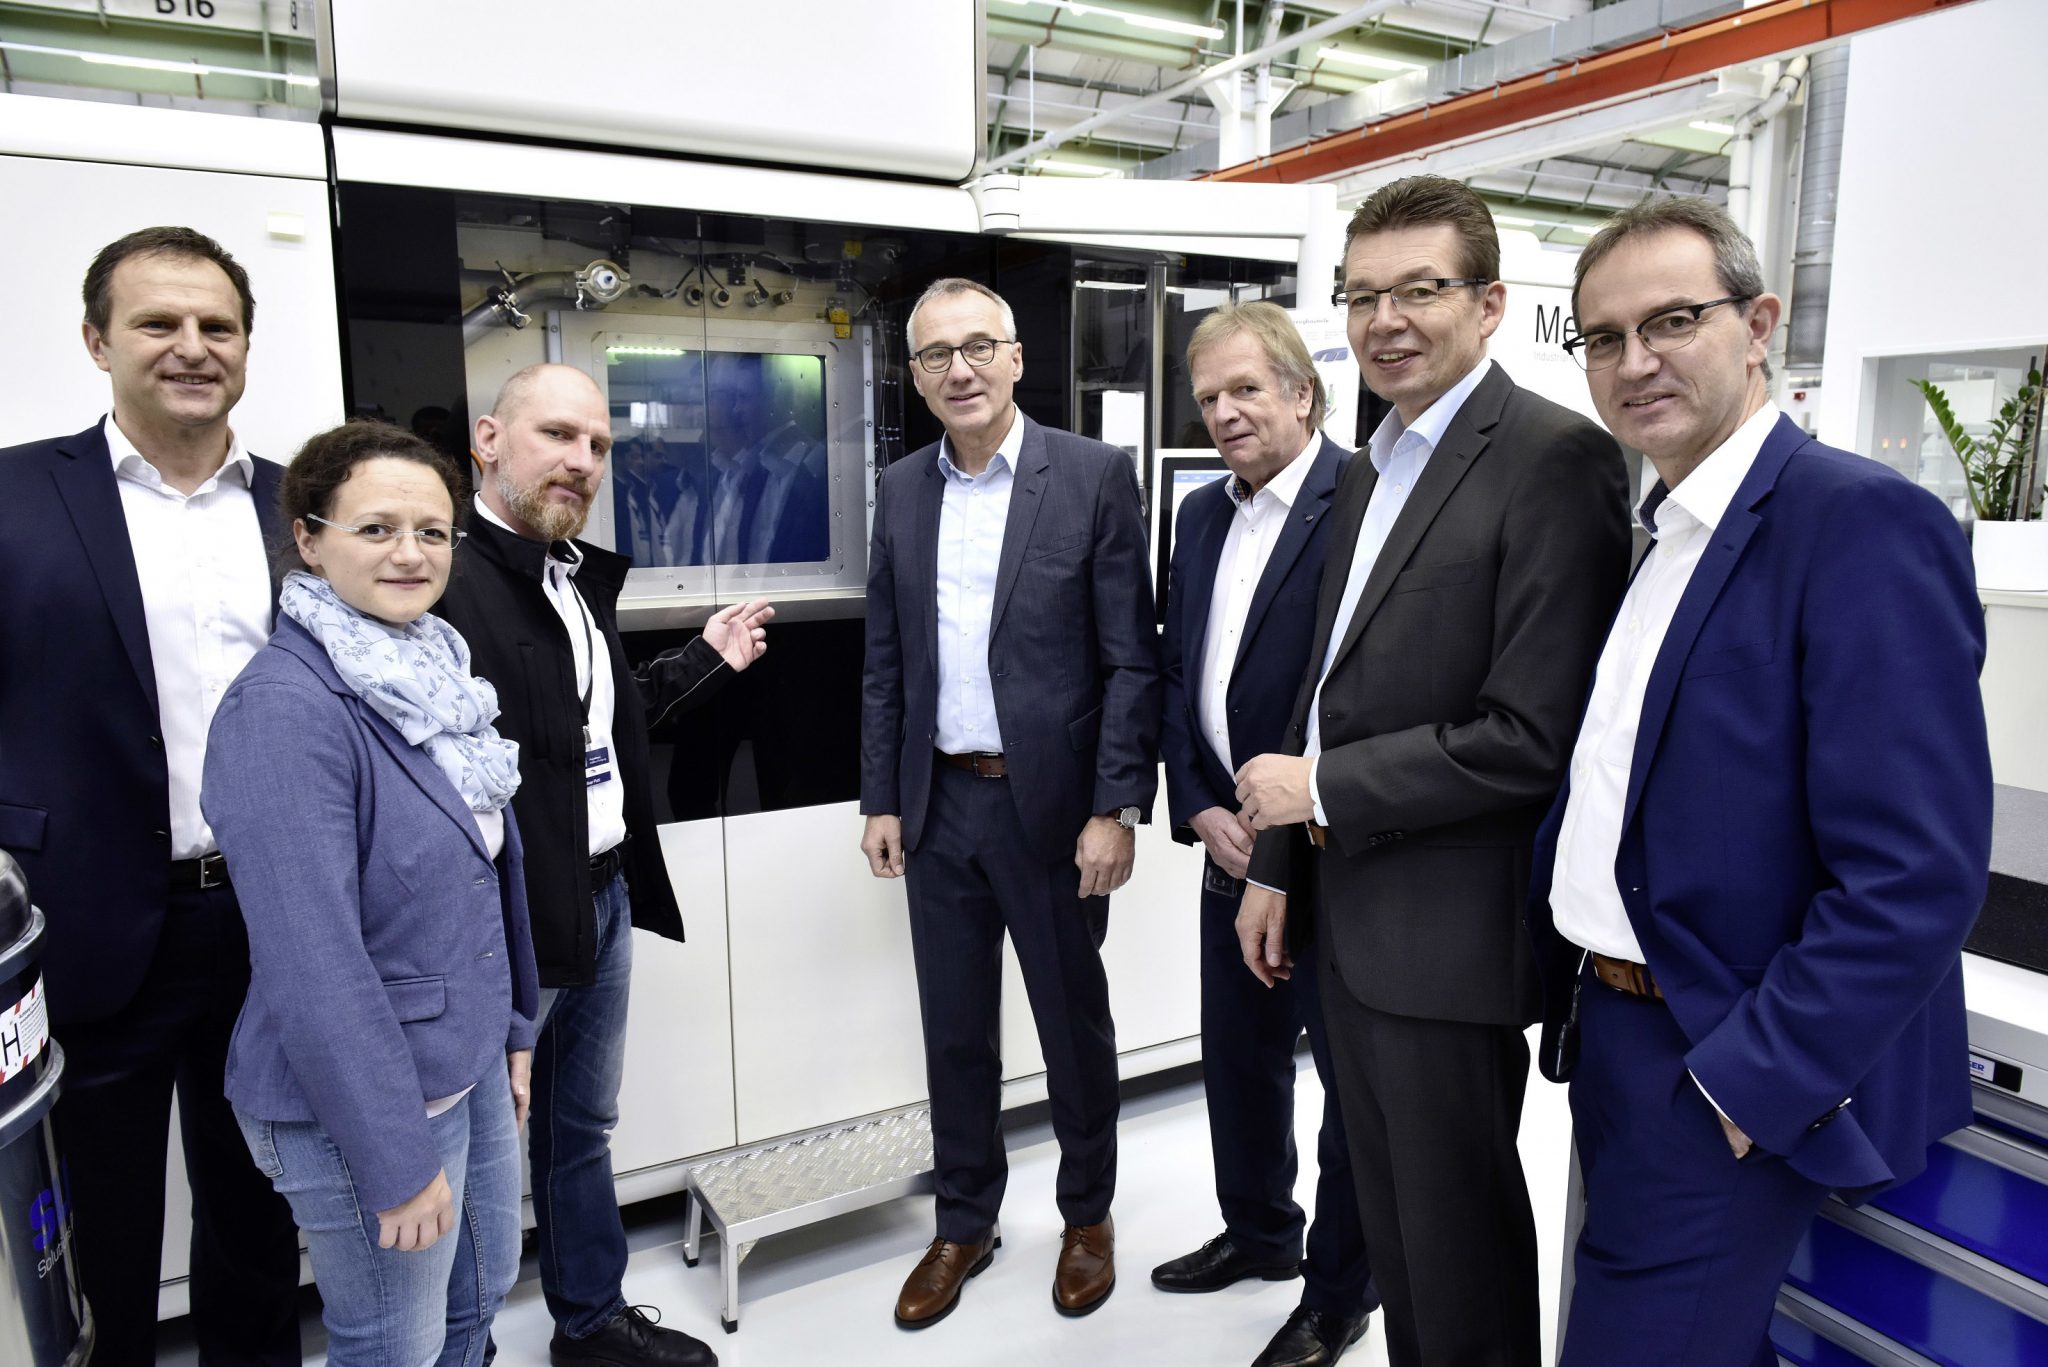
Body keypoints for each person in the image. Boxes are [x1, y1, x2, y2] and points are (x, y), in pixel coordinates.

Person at [1529, 196, 1993, 1367]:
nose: (1634, 361)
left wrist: (1747, 1081)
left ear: (1758, 325)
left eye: (1671, 319)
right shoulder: (1669, 530)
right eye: (1601, 337)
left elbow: (1914, 870)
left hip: (1718, 1056)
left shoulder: (1857, 522)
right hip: (1622, 1029)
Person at [1232, 176, 1631, 1367]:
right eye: (1362, 295)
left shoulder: (1555, 460)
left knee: (1458, 1258)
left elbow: (1530, 735)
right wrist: (1275, 864)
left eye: (1419, 289)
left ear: (1491, 302)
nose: (1384, 320)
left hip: (1447, 943)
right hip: (1346, 915)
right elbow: (1325, 687)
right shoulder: (1372, 461)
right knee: (1397, 1245)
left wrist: (1325, 794)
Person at [0, 226, 302, 1366]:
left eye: (216, 326)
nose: (191, 346)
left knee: (260, 1214)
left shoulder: (302, 510)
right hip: (88, 925)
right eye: (157, 323)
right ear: (97, 340)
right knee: (100, 1240)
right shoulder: (15, 494)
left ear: (245, 348)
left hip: (271, 926)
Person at [435, 362, 772, 1367]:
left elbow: (590, 726)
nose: (580, 460)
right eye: (555, 435)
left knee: (579, 1123)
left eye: (596, 445)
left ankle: (587, 1318)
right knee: (481, 1157)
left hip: (601, 892)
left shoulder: (570, 575)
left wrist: (704, 660)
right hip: (504, 917)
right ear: (488, 439)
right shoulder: (443, 578)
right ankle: (463, 1348)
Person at [859, 277, 1161, 1328]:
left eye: (978, 345)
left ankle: (1086, 1214)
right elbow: (885, 660)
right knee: (953, 1029)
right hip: (938, 803)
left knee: (1070, 1021)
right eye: (937, 354)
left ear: (1017, 357)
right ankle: (963, 1220)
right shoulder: (900, 490)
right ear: (915, 376)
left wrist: (1114, 804)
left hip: (1052, 808)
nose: (961, 368)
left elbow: (1131, 658)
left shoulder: (1088, 476)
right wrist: (881, 796)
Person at [203, 421, 539, 1366]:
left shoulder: (431, 672)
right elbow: (315, 965)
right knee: (394, 1341)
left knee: (478, 1298)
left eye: (432, 532)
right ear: (308, 538)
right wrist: (394, 1162)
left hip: (460, 1061)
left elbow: (484, 866)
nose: (411, 553)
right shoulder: (285, 708)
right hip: (361, 1097)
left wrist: (514, 1029)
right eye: (377, 528)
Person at [1153, 302, 1378, 1367]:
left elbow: (1347, 697)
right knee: (1237, 1061)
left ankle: (1338, 1291)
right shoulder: (1197, 514)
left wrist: (1280, 847)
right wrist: (1198, 803)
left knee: (1347, 1087)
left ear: (1302, 391)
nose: (1225, 412)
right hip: (1223, 844)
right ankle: (1256, 1234)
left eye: (1245, 388)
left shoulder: (1364, 503)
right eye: (1208, 398)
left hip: (1326, 861)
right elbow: (1173, 672)